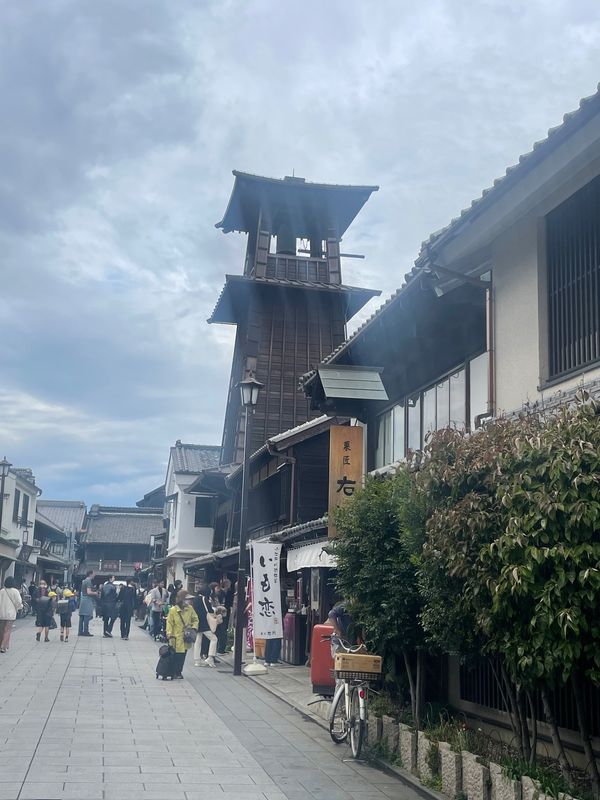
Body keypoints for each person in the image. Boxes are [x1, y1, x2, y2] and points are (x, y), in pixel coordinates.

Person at [166, 589, 199, 679]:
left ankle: (178, 672)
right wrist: (169, 634)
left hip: (186, 636)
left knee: (183, 655)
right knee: (176, 655)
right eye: (187, 599)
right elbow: (169, 623)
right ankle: (174, 671)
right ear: (181, 599)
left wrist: (193, 628)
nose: (189, 601)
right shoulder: (173, 610)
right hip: (175, 636)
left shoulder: (190, 609)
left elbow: (195, 619)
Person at [192, 585, 219, 668]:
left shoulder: (195, 599)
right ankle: (210, 657)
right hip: (204, 623)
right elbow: (209, 610)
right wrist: (216, 609)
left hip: (197, 622)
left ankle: (197, 660)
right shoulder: (204, 599)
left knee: (198, 640)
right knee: (214, 639)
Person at [0, 577, 23, 652]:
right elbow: (19, 602)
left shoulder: (2, 591)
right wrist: (20, 607)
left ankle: (4, 645)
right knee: (8, 630)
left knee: (2, 630)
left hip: (2, 613)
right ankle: (3, 647)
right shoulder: (15, 591)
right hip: (10, 614)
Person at [78, 569, 98, 636]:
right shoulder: (88, 581)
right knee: (87, 615)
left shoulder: (84, 581)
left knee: (82, 616)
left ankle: (80, 631)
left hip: (83, 599)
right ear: (90, 574)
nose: (94, 575)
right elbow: (89, 592)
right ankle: (86, 631)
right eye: (94, 573)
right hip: (87, 600)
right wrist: (95, 593)